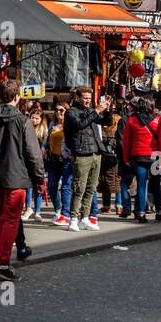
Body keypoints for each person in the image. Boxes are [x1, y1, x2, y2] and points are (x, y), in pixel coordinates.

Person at [0, 79, 45, 282]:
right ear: (17, 97)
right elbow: (33, 154)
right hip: (16, 175)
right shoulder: (23, 121)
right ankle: (3, 262)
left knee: (3, 217)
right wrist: (39, 177)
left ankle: (0, 256)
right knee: (10, 219)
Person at [124, 96, 161, 223]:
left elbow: (126, 141)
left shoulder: (132, 119)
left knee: (141, 185)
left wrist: (126, 158)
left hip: (138, 155)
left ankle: (141, 213)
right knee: (156, 185)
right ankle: (158, 211)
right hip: (155, 156)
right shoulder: (159, 120)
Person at [63, 87, 103, 231]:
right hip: (81, 154)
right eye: (85, 97)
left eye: (89, 98)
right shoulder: (71, 112)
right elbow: (80, 124)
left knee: (91, 188)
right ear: (77, 98)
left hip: (95, 152)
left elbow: (105, 121)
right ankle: (73, 218)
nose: (88, 100)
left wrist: (107, 110)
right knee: (79, 188)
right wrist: (96, 111)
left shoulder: (90, 111)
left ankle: (85, 218)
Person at [46, 103, 73, 224]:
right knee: (51, 186)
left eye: (61, 110)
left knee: (66, 186)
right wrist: (42, 147)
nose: (58, 112)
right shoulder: (52, 124)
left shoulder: (70, 124)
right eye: (56, 110)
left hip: (66, 159)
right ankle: (57, 210)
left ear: (66, 111)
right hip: (53, 159)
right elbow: (47, 140)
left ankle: (65, 213)